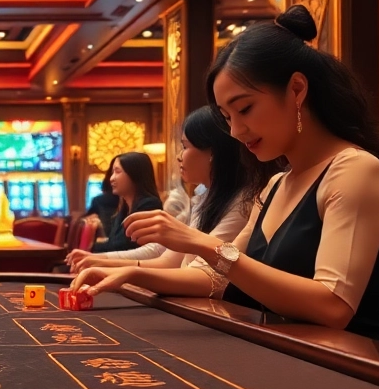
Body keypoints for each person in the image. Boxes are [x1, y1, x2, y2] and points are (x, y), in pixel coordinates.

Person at [71, 5, 379, 348]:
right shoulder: (276, 185)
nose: (237, 130)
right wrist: (131, 275)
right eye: (227, 117)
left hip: (376, 367)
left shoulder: (354, 169)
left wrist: (198, 242)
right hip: (300, 354)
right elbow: (214, 278)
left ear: (297, 90)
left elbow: (332, 306)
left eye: (245, 109)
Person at [69, 106, 271, 272]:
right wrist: (102, 262)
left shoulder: (244, 200)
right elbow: (167, 259)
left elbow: (202, 276)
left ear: (212, 152)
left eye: (185, 146)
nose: (179, 156)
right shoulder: (203, 196)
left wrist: (118, 270)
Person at [91, 152, 163, 254]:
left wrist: (93, 251)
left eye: (117, 171)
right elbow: (113, 245)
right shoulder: (123, 208)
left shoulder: (149, 205)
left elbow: (125, 247)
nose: (111, 178)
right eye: (112, 172)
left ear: (134, 175)